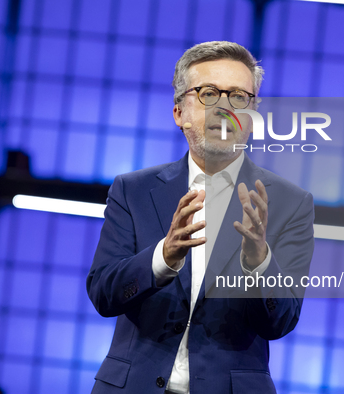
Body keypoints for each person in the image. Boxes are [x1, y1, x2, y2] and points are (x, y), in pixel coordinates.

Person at [87, 41, 315, 394]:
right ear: (179, 112)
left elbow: (280, 321)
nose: (224, 107)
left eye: (239, 97)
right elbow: (103, 293)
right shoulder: (132, 190)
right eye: (209, 93)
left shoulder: (290, 203)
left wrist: (258, 265)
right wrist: (163, 257)